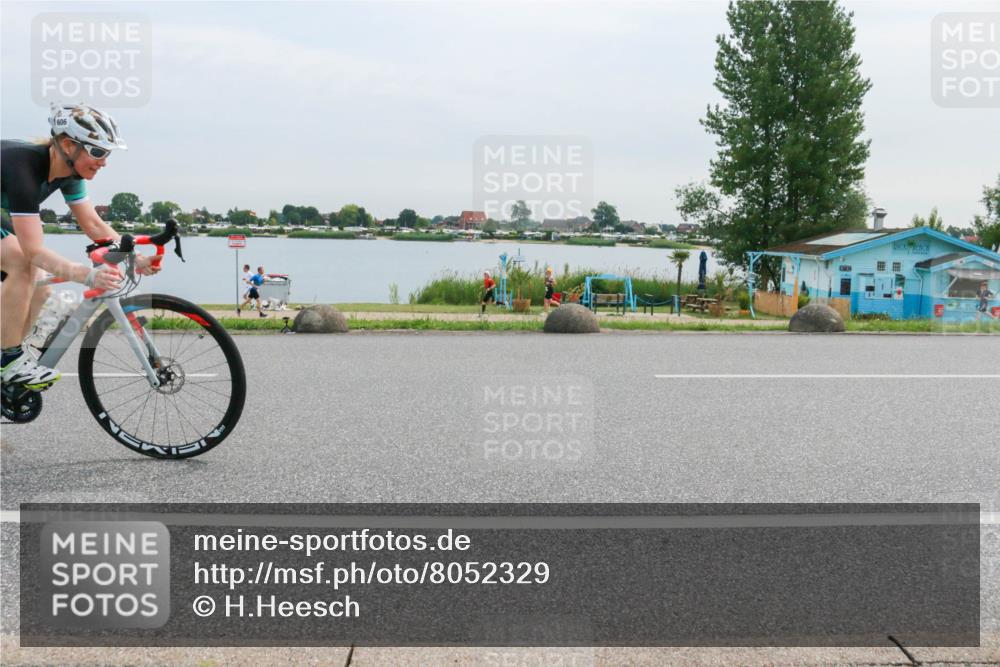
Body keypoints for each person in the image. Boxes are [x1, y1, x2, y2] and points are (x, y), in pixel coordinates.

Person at [1, 103, 159, 390]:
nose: (103, 162)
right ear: (67, 145)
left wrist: (134, 257)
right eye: (97, 152)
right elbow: (33, 251)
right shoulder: (24, 167)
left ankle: (11, 361)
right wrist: (88, 275)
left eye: (107, 154)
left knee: (40, 288)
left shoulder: (70, 173)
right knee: (22, 262)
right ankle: (9, 361)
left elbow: (94, 224)